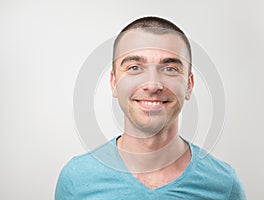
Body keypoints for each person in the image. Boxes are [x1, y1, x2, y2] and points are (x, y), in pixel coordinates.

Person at [55, 16, 246, 199]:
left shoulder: (224, 185)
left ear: (189, 85)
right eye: (135, 68)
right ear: (114, 83)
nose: (153, 85)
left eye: (170, 69)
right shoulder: (76, 179)